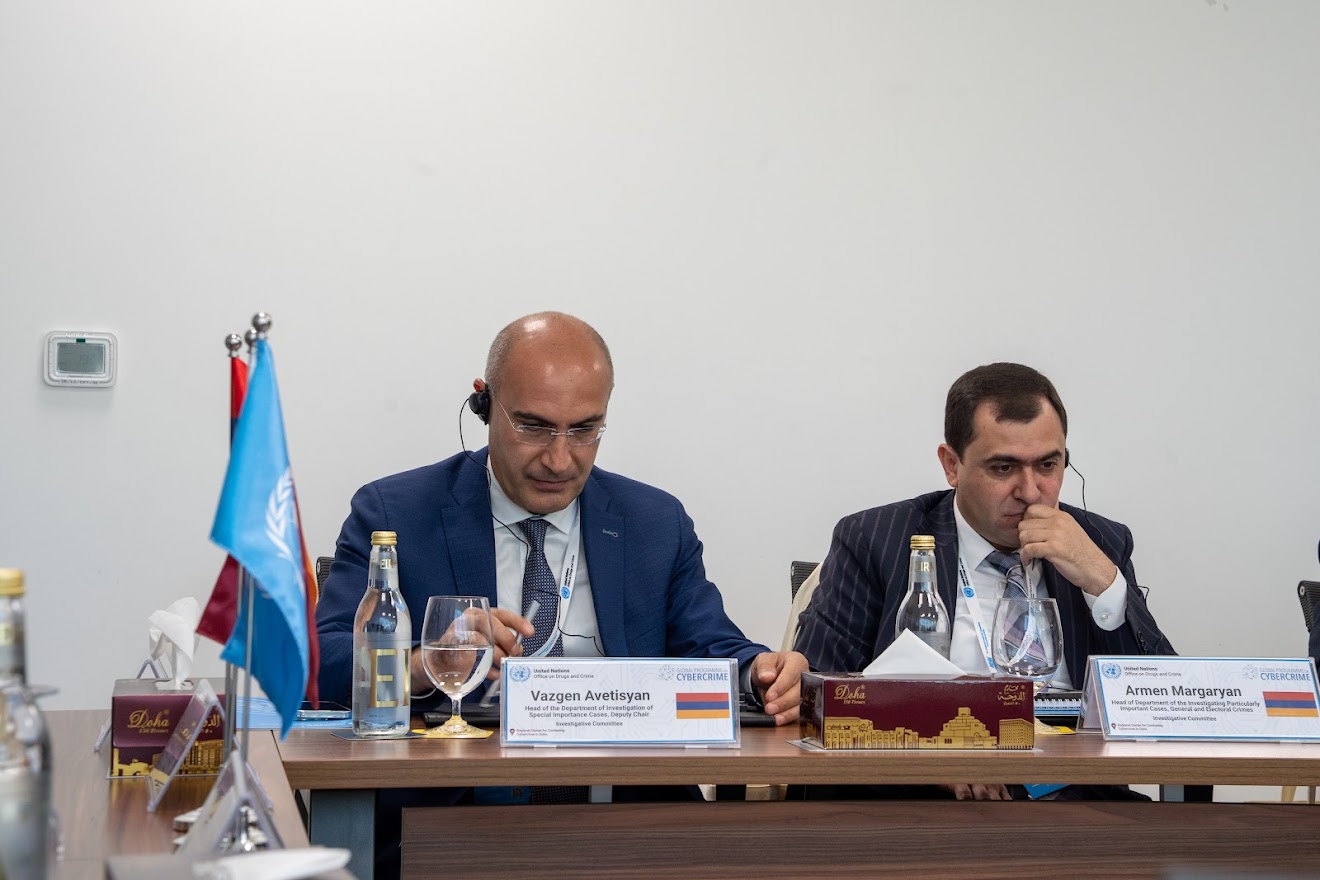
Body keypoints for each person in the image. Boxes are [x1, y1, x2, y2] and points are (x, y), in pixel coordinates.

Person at [316, 310, 807, 721]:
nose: (559, 460)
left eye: (585, 430)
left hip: (625, 793)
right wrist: (426, 663)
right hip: (463, 795)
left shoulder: (655, 523)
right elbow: (319, 666)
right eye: (533, 427)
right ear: (484, 404)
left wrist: (761, 673)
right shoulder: (395, 515)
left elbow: (713, 649)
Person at [795, 362, 1175, 801]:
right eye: (1003, 468)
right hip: (928, 802)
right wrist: (927, 758)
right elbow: (816, 699)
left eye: (1048, 465)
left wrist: (1104, 583)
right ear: (951, 465)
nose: (1030, 491)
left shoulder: (1101, 541)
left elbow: (1167, 705)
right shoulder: (877, 540)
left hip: (1077, 796)